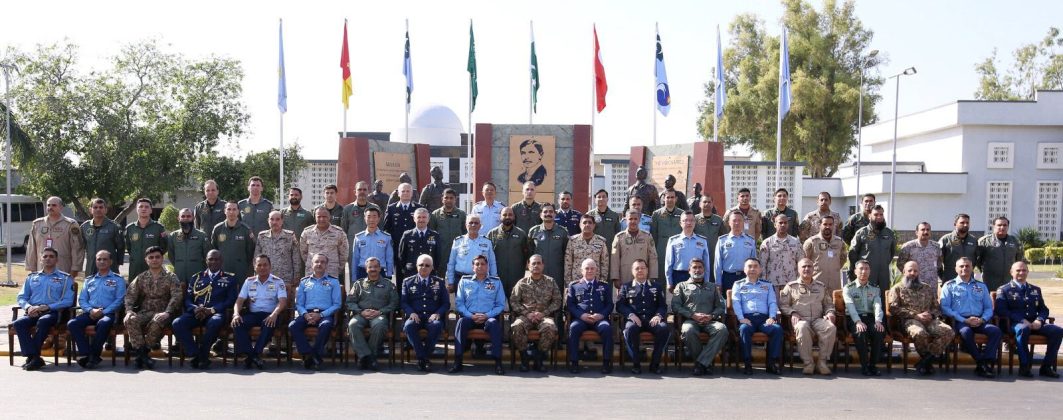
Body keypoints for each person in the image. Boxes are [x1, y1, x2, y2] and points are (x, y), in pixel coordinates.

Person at [172, 249, 239, 369]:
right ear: (206, 261)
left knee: (215, 322)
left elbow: (230, 300)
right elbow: (187, 299)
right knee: (177, 323)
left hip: (216, 313)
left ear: (221, 261)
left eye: (216, 259)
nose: (214, 262)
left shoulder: (230, 278)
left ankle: (202, 353)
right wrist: (194, 308)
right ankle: (196, 354)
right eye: (210, 259)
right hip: (197, 312)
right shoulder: (197, 277)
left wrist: (212, 310)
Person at [996, 261, 1062, 378]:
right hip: (1015, 324)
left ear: (1028, 272)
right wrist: (1022, 320)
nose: (1021, 273)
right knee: (1023, 329)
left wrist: (1039, 320)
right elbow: (1001, 310)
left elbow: (1043, 309)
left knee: (1057, 331)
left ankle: (1046, 366)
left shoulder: (1035, 289)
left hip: (1035, 323)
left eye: (1024, 270)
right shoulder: (1004, 290)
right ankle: (1024, 366)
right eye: (1018, 270)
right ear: (1011, 272)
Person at [888, 261, 954, 376]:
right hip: (909, 321)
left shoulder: (927, 288)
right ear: (904, 272)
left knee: (948, 331)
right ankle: (928, 362)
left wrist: (932, 315)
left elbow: (936, 307)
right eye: (910, 270)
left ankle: (925, 361)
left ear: (919, 272)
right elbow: (893, 309)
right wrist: (915, 315)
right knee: (920, 333)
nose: (913, 273)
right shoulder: (897, 288)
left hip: (930, 320)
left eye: (915, 271)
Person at [14, 248, 75, 371]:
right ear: (41, 260)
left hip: (54, 313)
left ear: (56, 260)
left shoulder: (65, 278)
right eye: (45, 256)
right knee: (19, 323)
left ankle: (33, 357)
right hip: (33, 311)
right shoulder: (32, 277)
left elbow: (68, 300)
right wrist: (28, 307)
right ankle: (35, 357)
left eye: (51, 256)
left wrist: (48, 307)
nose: (48, 258)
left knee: (43, 321)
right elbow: (21, 297)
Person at [941, 257, 1002, 378]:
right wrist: (964, 320)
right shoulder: (949, 286)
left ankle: (986, 360)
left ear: (972, 268)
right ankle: (980, 362)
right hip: (960, 321)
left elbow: (989, 307)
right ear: (956, 269)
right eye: (961, 266)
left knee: (995, 331)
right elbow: (945, 307)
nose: (964, 268)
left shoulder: (981, 286)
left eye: (967, 266)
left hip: (980, 320)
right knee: (966, 332)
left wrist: (983, 319)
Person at [124, 246, 182, 370]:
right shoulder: (141, 277)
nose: (154, 260)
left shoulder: (171, 277)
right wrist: (129, 311)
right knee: (130, 319)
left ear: (162, 259)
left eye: (157, 257)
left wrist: (168, 312)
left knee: (157, 321)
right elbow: (130, 295)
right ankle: (143, 355)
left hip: (164, 313)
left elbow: (177, 296)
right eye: (151, 257)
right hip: (145, 312)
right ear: (146, 260)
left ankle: (141, 355)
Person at [450, 255, 507, 375]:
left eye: (483, 264)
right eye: (477, 264)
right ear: (473, 267)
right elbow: (459, 304)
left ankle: (498, 363)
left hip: (488, 317)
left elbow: (500, 304)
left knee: (494, 324)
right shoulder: (464, 281)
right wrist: (471, 315)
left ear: (487, 266)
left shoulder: (496, 282)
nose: (480, 266)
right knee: (461, 322)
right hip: (470, 317)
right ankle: (458, 361)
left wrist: (487, 315)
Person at [68, 250, 125, 369]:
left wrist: (103, 312)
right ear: (96, 261)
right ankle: (88, 354)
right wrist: (90, 310)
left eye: (105, 259)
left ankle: (93, 355)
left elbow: (119, 300)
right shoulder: (89, 280)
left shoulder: (118, 280)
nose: (102, 261)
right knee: (73, 323)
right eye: (99, 259)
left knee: (104, 323)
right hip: (91, 312)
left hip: (108, 313)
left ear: (110, 262)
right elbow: (82, 299)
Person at [779, 258, 837, 375]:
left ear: (813, 269)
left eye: (809, 266)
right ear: (798, 269)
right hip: (800, 319)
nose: (807, 269)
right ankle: (808, 363)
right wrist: (792, 313)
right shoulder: (791, 287)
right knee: (802, 327)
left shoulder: (821, 286)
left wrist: (830, 312)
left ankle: (822, 363)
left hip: (817, 319)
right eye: (804, 267)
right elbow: (783, 305)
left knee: (830, 327)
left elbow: (828, 304)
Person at [671, 258, 727, 376]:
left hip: (710, 321)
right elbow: (675, 306)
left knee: (722, 329)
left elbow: (721, 307)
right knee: (687, 330)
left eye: (700, 267)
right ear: (689, 270)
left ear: (704, 270)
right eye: (694, 267)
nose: (697, 270)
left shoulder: (712, 287)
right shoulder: (681, 286)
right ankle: (705, 363)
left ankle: (700, 364)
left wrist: (712, 316)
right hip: (691, 321)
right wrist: (692, 315)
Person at [231, 255, 288, 370]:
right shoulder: (249, 281)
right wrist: (236, 314)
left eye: (265, 265)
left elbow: (283, 302)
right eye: (259, 265)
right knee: (237, 323)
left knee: (268, 323)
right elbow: (239, 301)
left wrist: (274, 315)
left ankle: (252, 355)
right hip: (253, 314)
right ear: (255, 266)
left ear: (270, 266)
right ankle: (254, 355)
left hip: (270, 314)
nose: (262, 267)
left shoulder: (278, 281)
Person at [290, 253, 343, 371]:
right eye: (316, 262)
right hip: (306, 313)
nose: (319, 264)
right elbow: (299, 304)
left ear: (326, 265)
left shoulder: (333, 282)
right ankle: (310, 354)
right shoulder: (304, 282)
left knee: (326, 325)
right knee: (293, 326)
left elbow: (337, 304)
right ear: (311, 264)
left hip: (325, 314)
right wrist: (305, 314)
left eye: (322, 262)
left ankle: (311, 356)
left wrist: (321, 315)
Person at [509, 255, 562, 372]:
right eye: (533, 263)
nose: (536, 266)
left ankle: (539, 359)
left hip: (544, 316)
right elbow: (513, 301)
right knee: (516, 326)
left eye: (538, 263)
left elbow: (557, 301)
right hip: (525, 316)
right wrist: (527, 313)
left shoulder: (550, 282)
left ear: (543, 265)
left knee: (550, 327)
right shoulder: (521, 283)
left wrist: (544, 313)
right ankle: (524, 359)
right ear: (528, 265)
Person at [617, 259, 670, 374]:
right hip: (635, 320)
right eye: (637, 268)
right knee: (629, 329)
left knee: (664, 329)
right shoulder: (626, 287)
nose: (640, 270)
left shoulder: (657, 286)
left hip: (652, 319)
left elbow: (663, 306)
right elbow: (620, 306)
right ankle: (636, 364)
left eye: (642, 268)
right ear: (632, 271)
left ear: (647, 270)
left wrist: (658, 315)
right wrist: (631, 315)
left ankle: (655, 364)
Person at [346, 257, 399, 371]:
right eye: (370, 267)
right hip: (361, 314)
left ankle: (365, 357)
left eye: (376, 266)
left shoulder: (388, 284)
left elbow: (394, 303)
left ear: (380, 268)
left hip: (379, 314)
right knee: (353, 324)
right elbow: (350, 302)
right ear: (366, 269)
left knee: (379, 325)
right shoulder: (358, 284)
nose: (373, 269)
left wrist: (380, 311)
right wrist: (361, 311)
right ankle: (368, 357)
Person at [733, 258, 782, 375]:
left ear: (760, 270)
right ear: (744, 270)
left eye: (755, 266)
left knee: (777, 329)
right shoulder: (738, 284)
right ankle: (747, 363)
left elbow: (772, 302)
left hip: (764, 319)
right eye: (749, 266)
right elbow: (736, 302)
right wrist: (741, 318)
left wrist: (772, 317)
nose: (752, 269)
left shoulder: (767, 285)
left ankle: (771, 363)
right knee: (744, 329)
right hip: (747, 318)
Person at [401, 255, 449, 372]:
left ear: (432, 268)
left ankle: (422, 358)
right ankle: (424, 358)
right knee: (408, 326)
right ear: (416, 266)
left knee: (437, 325)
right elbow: (403, 302)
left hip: (431, 317)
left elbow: (446, 303)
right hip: (415, 316)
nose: (424, 267)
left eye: (427, 265)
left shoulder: (439, 282)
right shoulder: (407, 282)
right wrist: (411, 313)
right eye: (421, 265)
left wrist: (438, 313)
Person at [566, 258, 614, 374]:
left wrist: (601, 315)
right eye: (587, 268)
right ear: (582, 270)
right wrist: (581, 315)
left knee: (607, 328)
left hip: (599, 320)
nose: (589, 271)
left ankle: (606, 362)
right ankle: (574, 362)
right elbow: (570, 305)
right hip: (581, 319)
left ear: (596, 270)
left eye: (592, 268)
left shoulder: (604, 286)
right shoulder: (574, 286)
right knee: (573, 328)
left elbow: (609, 304)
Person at [843, 260, 885, 376]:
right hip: (855, 318)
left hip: (871, 318)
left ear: (870, 271)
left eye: (866, 269)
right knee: (860, 333)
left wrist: (878, 320)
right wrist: (857, 321)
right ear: (855, 271)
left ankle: (873, 365)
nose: (864, 271)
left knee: (878, 330)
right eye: (861, 268)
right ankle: (864, 365)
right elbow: (850, 306)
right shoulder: (848, 288)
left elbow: (877, 305)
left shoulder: (875, 288)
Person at [847, 205, 895, 290]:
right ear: (869, 216)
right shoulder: (862, 233)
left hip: (883, 275)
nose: (879, 217)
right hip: (866, 275)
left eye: (881, 214)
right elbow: (852, 255)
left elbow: (891, 253)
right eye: (876, 215)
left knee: (884, 299)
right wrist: (853, 273)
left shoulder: (889, 233)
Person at [446, 214, 498, 292]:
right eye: (471, 223)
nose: (473, 225)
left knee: (480, 303)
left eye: (476, 223)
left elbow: (492, 262)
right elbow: (451, 263)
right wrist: (450, 281)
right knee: (461, 303)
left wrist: (493, 279)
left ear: (480, 226)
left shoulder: (487, 242)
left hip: (482, 279)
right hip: (461, 279)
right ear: (466, 225)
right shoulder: (458, 241)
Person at [486, 206, 529, 298]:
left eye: (510, 214)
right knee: (497, 303)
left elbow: (526, 255)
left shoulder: (521, 234)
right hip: (497, 276)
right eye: (504, 215)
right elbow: (487, 255)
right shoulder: (492, 234)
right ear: (500, 217)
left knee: (515, 303)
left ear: (514, 216)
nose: (507, 217)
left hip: (516, 276)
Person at [526, 203, 568, 292]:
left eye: (551, 211)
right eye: (545, 212)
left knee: (557, 299)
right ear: (541, 215)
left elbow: (566, 253)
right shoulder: (533, 231)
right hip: (538, 273)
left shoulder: (563, 232)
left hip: (557, 273)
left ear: (555, 214)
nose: (548, 214)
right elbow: (529, 252)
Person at [255, 210, 302, 288]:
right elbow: (256, 257)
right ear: (268, 221)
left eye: (277, 219)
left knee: (284, 300)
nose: (274, 222)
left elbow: (296, 258)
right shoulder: (262, 236)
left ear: (282, 221)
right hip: (266, 277)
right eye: (272, 219)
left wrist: (296, 277)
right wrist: (257, 274)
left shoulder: (290, 236)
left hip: (285, 279)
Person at [610, 210, 658, 288]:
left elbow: (653, 257)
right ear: (626, 220)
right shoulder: (619, 237)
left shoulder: (647, 236)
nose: (633, 221)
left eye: (635, 219)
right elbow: (615, 258)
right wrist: (615, 277)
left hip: (643, 275)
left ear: (639, 220)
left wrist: (652, 276)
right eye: (630, 219)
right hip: (625, 276)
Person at [300, 207, 350, 281]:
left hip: (331, 272)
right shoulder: (307, 232)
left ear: (329, 217)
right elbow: (303, 253)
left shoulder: (339, 233)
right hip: (312, 272)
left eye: (324, 217)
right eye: (319, 217)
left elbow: (344, 254)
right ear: (315, 217)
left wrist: (338, 268)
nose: (322, 219)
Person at [664, 211, 711, 290]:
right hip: (679, 276)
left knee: (697, 301)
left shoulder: (702, 241)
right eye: (685, 220)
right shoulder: (673, 240)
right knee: (680, 301)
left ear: (695, 222)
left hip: (697, 275)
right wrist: (669, 282)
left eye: (691, 220)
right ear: (680, 223)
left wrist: (706, 281)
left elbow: (706, 264)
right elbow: (669, 264)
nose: (689, 223)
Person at [125, 198, 168, 281]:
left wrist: (155, 258)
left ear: (151, 210)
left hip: (153, 268)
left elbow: (164, 246)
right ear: (137, 210)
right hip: (135, 268)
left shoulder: (159, 228)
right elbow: (129, 247)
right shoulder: (130, 228)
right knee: (134, 292)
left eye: (146, 207)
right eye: (140, 206)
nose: (143, 209)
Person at [977, 216, 1024, 291]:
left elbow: (1019, 260)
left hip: (1009, 281)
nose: (1002, 227)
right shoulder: (984, 241)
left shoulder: (1015, 241)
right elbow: (978, 261)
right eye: (999, 225)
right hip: (989, 281)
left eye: (1005, 225)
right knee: (990, 302)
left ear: (1008, 226)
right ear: (994, 226)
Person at [211, 202, 256, 282]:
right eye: (229, 209)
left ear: (238, 211)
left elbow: (251, 251)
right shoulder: (218, 229)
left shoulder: (246, 230)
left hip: (241, 271)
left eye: (234, 209)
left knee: (239, 294)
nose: (231, 212)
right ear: (225, 211)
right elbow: (214, 249)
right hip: (222, 270)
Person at [714, 211, 757, 292]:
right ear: (729, 223)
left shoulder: (750, 240)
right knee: (728, 303)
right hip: (728, 278)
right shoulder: (722, 240)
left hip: (746, 277)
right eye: (734, 220)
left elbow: (754, 263)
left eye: (740, 220)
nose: (737, 223)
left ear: (744, 222)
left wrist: (754, 279)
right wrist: (718, 283)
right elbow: (718, 264)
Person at [81, 198, 124, 276]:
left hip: (109, 267)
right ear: (90, 210)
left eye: (101, 207)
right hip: (91, 267)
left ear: (106, 210)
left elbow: (120, 247)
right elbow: (81, 247)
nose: (98, 209)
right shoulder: (84, 227)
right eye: (95, 207)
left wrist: (117, 264)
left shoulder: (114, 226)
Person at [759, 213, 803, 290]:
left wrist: (800, 280)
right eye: (780, 223)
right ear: (775, 225)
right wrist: (764, 282)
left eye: (785, 223)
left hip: (791, 283)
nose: (783, 225)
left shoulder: (796, 242)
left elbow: (800, 262)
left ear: (788, 225)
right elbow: (763, 264)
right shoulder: (767, 242)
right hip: (772, 283)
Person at [429, 188, 466, 278]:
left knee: (457, 279)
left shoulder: (462, 214)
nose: (449, 200)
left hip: (458, 253)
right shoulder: (435, 215)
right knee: (440, 280)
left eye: (451, 198)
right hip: (441, 254)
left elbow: (465, 234)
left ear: (455, 199)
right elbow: (431, 235)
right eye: (446, 198)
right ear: (442, 199)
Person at [397, 208, 442, 283]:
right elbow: (401, 255)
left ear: (428, 219)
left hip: (429, 273)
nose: (421, 220)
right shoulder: (407, 235)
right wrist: (406, 269)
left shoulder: (435, 235)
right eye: (419, 217)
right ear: (414, 219)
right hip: (411, 272)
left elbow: (438, 256)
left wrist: (433, 268)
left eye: (424, 217)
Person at [350, 207, 394, 284]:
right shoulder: (359, 237)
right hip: (363, 271)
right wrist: (354, 276)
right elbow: (355, 258)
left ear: (379, 218)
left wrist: (389, 274)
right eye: (369, 216)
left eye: (374, 216)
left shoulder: (386, 237)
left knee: (381, 295)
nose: (371, 220)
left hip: (380, 272)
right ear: (364, 218)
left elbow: (389, 257)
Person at [167, 208, 211, 284]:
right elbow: (171, 255)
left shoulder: (201, 235)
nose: (185, 218)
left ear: (193, 218)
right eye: (183, 216)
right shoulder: (173, 236)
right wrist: (180, 264)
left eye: (188, 216)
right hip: (179, 275)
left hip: (197, 275)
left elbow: (207, 256)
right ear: (178, 218)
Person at [802, 215, 845, 291]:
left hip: (834, 284)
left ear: (833, 225)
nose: (828, 227)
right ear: (820, 225)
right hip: (816, 284)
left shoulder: (839, 242)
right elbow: (804, 262)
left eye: (830, 224)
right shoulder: (811, 242)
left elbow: (842, 260)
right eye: (825, 224)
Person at [564, 214, 609, 285]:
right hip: (576, 282)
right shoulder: (573, 241)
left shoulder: (601, 241)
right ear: (580, 225)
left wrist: (602, 282)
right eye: (584, 222)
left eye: (590, 222)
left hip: (595, 282)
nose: (587, 225)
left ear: (594, 225)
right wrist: (568, 284)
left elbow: (604, 263)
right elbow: (568, 263)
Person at [896, 222, 943, 286]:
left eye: (928, 230)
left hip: (931, 285)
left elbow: (939, 264)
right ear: (916, 232)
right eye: (923, 230)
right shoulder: (908, 246)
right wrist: (911, 275)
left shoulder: (936, 246)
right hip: (913, 284)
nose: (926, 232)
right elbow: (900, 264)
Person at [651, 189, 684, 276]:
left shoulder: (682, 214)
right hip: (661, 249)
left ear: (676, 199)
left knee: (676, 276)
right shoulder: (656, 214)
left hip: (677, 249)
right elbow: (653, 235)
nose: (670, 199)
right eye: (668, 197)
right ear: (663, 199)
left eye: (672, 197)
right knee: (661, 277)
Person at [938, 213, 978, 284]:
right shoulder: (946, 240)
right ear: (955, 224)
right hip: (950, 280)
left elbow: (977, 259)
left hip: (969, 281)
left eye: (967, 223)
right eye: (962, 223)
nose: (965, 225)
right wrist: (943, 276)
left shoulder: (974, 240)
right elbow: (938, 260)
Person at [693, 194, 725, 284]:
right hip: (698, 256)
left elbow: (724, 238)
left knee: (712, 282)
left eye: (709, 202)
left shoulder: (718, 220)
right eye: (704, 202)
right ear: (700, 204)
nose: (707, 204)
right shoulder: (694, 219)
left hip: (714, 257)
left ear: (712, 204)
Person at [341, 181, 382, 246]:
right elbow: (343, 230)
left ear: (368, 192)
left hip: (371, 246)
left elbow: (380, 228)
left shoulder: (375, 208)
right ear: (355, 192)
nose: (362, 192)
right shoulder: (347, 209)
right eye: (359, 189)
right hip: (353, 247)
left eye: (364, 190)